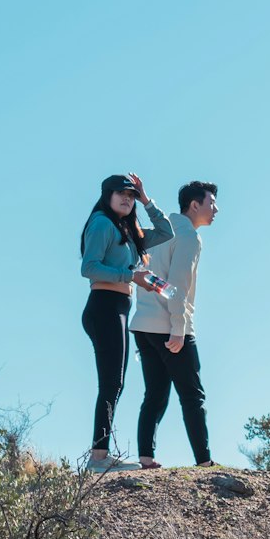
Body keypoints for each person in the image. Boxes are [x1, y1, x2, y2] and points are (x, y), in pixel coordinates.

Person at [80, 173, 174, 471]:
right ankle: (98, 456)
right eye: (121, 193)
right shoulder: (101, 223)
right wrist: (130, 277)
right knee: (111, 382)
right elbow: (89, 267)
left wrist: (147, 200)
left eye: (131, 195)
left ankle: (101, 452)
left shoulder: (128, 229)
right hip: (104, 305)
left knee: (116, 383)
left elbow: (166, 231)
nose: (127, 199)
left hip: (120, 306)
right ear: (106, 195)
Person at [130, 180, 218, 468]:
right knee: (193, 396)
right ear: (195, 205)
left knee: (154, 394)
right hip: (169, 327)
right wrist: (179, 328)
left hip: (142, 325)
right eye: (211, 202)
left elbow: (149, 274)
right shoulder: (189, 237)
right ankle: (204, 462)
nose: (215, 209)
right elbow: (177, 286)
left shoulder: (161, 230)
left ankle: (146, 457)